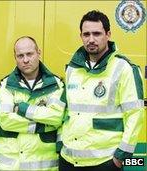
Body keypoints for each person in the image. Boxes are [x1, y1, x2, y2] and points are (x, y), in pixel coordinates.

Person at [60, 10, 145, 171]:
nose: (91, 39)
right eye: (86, 34)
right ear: (81, 37)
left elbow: (135, 114)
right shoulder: (72, 68)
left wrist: (121, 157)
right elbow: (65, 112)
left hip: (104, 162)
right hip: (69, 159)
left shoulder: (124, 68)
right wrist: (60, 144)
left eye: (97, 34)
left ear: (108, 34)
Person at [0, 36, 66, 170]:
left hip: (44, 165)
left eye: (29, 54)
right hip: (12, 165)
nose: (25, 60)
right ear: (15, 57)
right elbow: (5, 120)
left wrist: (22, 108)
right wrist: (44, 125)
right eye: (20, 56)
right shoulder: (6, 85)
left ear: (39, 53)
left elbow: (56, 117)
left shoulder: (56, 84)